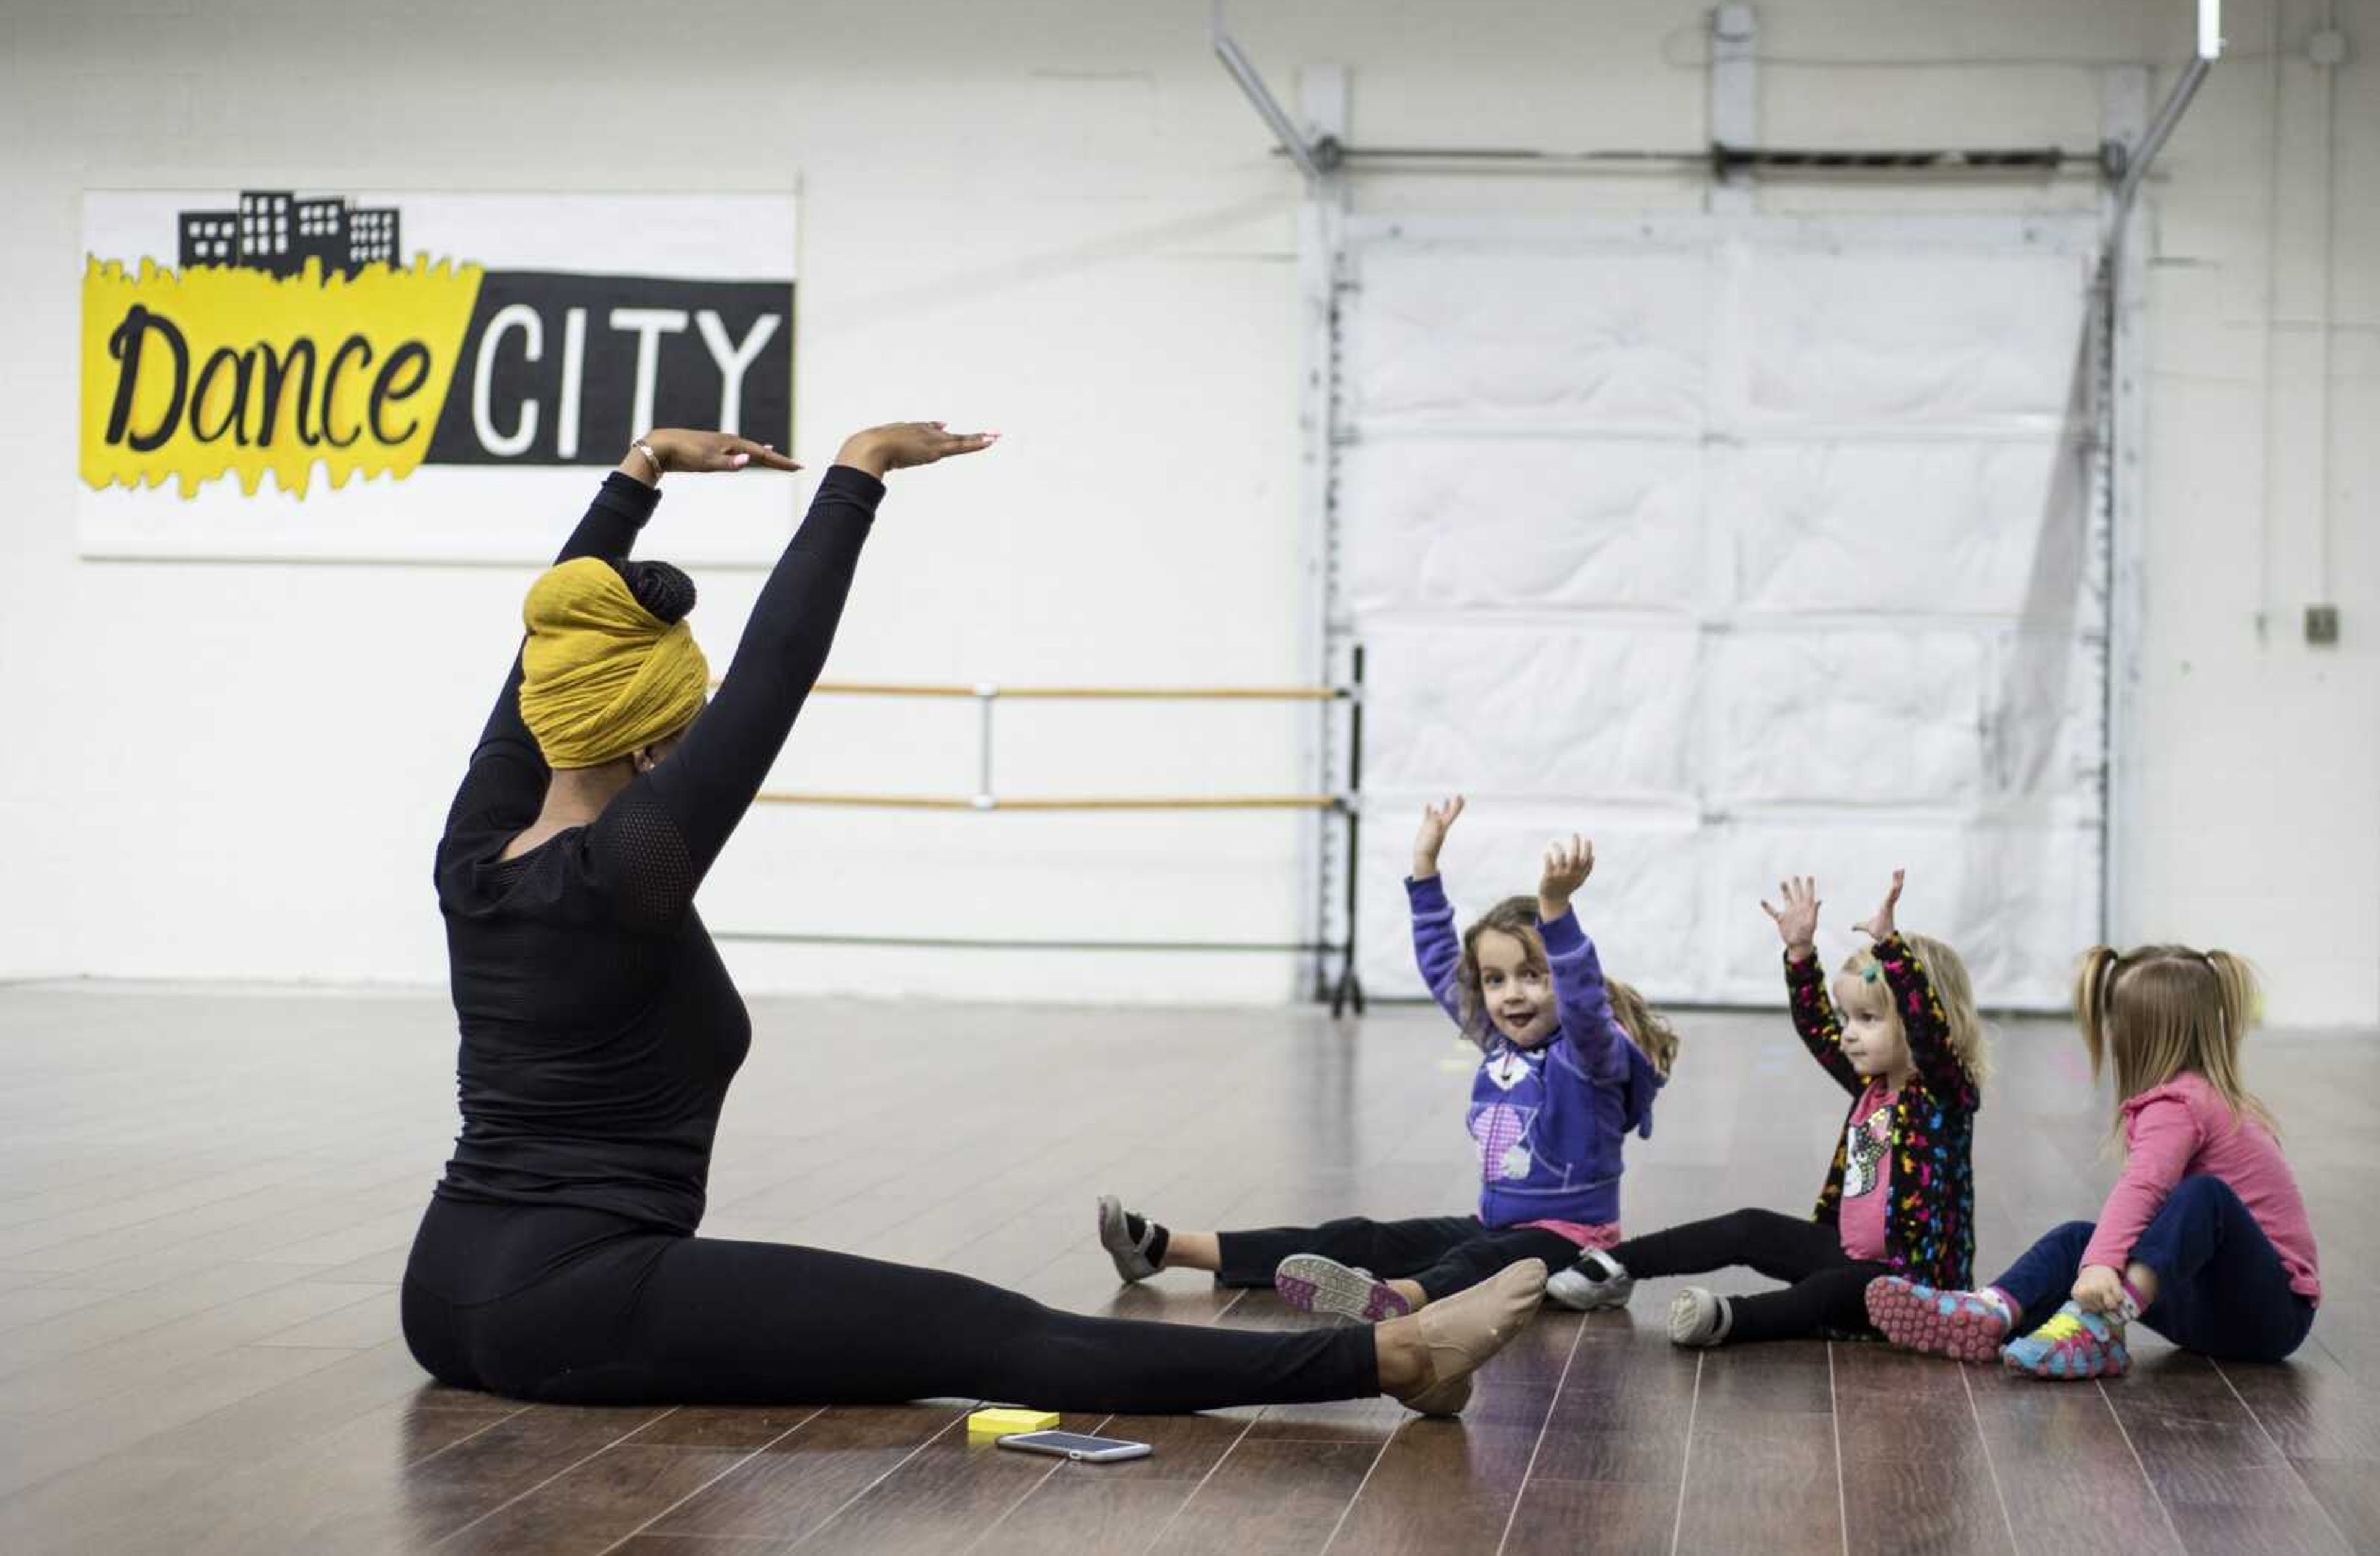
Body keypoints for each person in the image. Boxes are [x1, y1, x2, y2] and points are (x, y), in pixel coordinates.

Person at [398, 424, 1545, 1418]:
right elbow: (772, 675)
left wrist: (640, 471)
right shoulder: (630, 865)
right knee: (980, 1330)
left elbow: (545, 648)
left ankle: (1392, 1358)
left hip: (443, 1291)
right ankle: (1393, 1355)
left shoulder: (476, 846)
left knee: (942, 1332)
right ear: (656, 746)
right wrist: (857, 472)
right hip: (569, 1296)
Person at [1098, 798, 1673, 1320]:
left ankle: (1399, 1298)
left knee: (1480, 1263)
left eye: (1532, 975)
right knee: (1361, 1234)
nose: (1511, 994)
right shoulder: (1501, 1044)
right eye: (1495, 980)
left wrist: (1556, 907)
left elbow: (1583, 1001)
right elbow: (1439, 960)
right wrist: (1425, 866)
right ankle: (1167, 1247)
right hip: (1497, 1225)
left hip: (1574, 1242)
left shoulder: (1589, 1055)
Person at [1549, 872, 1988, 1348]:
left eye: (1868, 1019)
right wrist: (1801, 953)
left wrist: (1892, 951)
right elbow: (1817, 1027)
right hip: (1847, 1253)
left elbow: (1930, 1037)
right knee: (1750, 1226)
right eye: (1849, 1017)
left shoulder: (1944, 1097)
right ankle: (1616, 1265)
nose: (1848, 1033)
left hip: (1910, 1288)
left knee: (1825, 1292)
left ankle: (1729, 1317)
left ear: (1923, 1015)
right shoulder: (1872, 1088)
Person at [1867, 944, 2319, 1378]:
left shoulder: (2182, 1103)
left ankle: (2099, 1326)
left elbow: (2144, 1187)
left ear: (2136, 1033)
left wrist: (2102, 1263)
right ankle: (1991, 1311)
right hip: (2209, 1311)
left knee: (2203, 1199)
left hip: (2271, 1317)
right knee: (2076, 1241)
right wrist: (2096, 1256)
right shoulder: (2197, 1100)